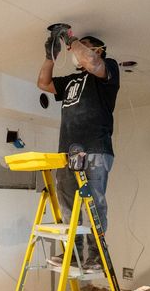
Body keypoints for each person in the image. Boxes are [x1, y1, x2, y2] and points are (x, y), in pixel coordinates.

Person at [37, 27, 120, 272]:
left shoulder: (108, 69)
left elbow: (92, 62)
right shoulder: (71, 81)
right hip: (67, 154)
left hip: (95, 149)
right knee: (68, 207)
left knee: (94, 203)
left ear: (99, 50)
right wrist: (50, 57)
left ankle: (95, 257)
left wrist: (70, 40)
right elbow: (44, 83)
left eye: (83, 46)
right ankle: (72, 254)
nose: (75, 52)